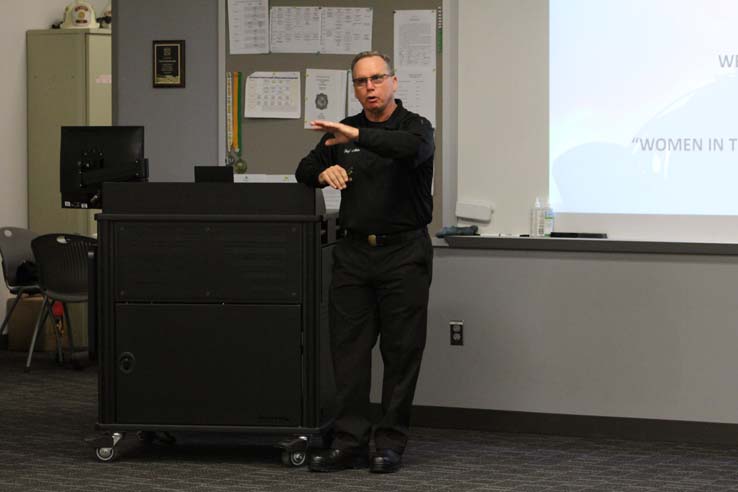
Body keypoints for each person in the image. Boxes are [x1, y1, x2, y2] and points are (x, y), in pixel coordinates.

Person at [295, 51, 435, 473]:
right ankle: (350, 440)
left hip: (403, 254)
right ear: (354, 87)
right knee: (349, 354)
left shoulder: (415, 128)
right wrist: (324, 174)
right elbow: (304, 169)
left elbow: (406, 148)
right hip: (354, 254)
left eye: (377, 79)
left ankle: (389, 442)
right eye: (361, 82)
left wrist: (354, 136)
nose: (369, 87)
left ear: (393, 82)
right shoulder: (341, 133)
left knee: (401, 351)